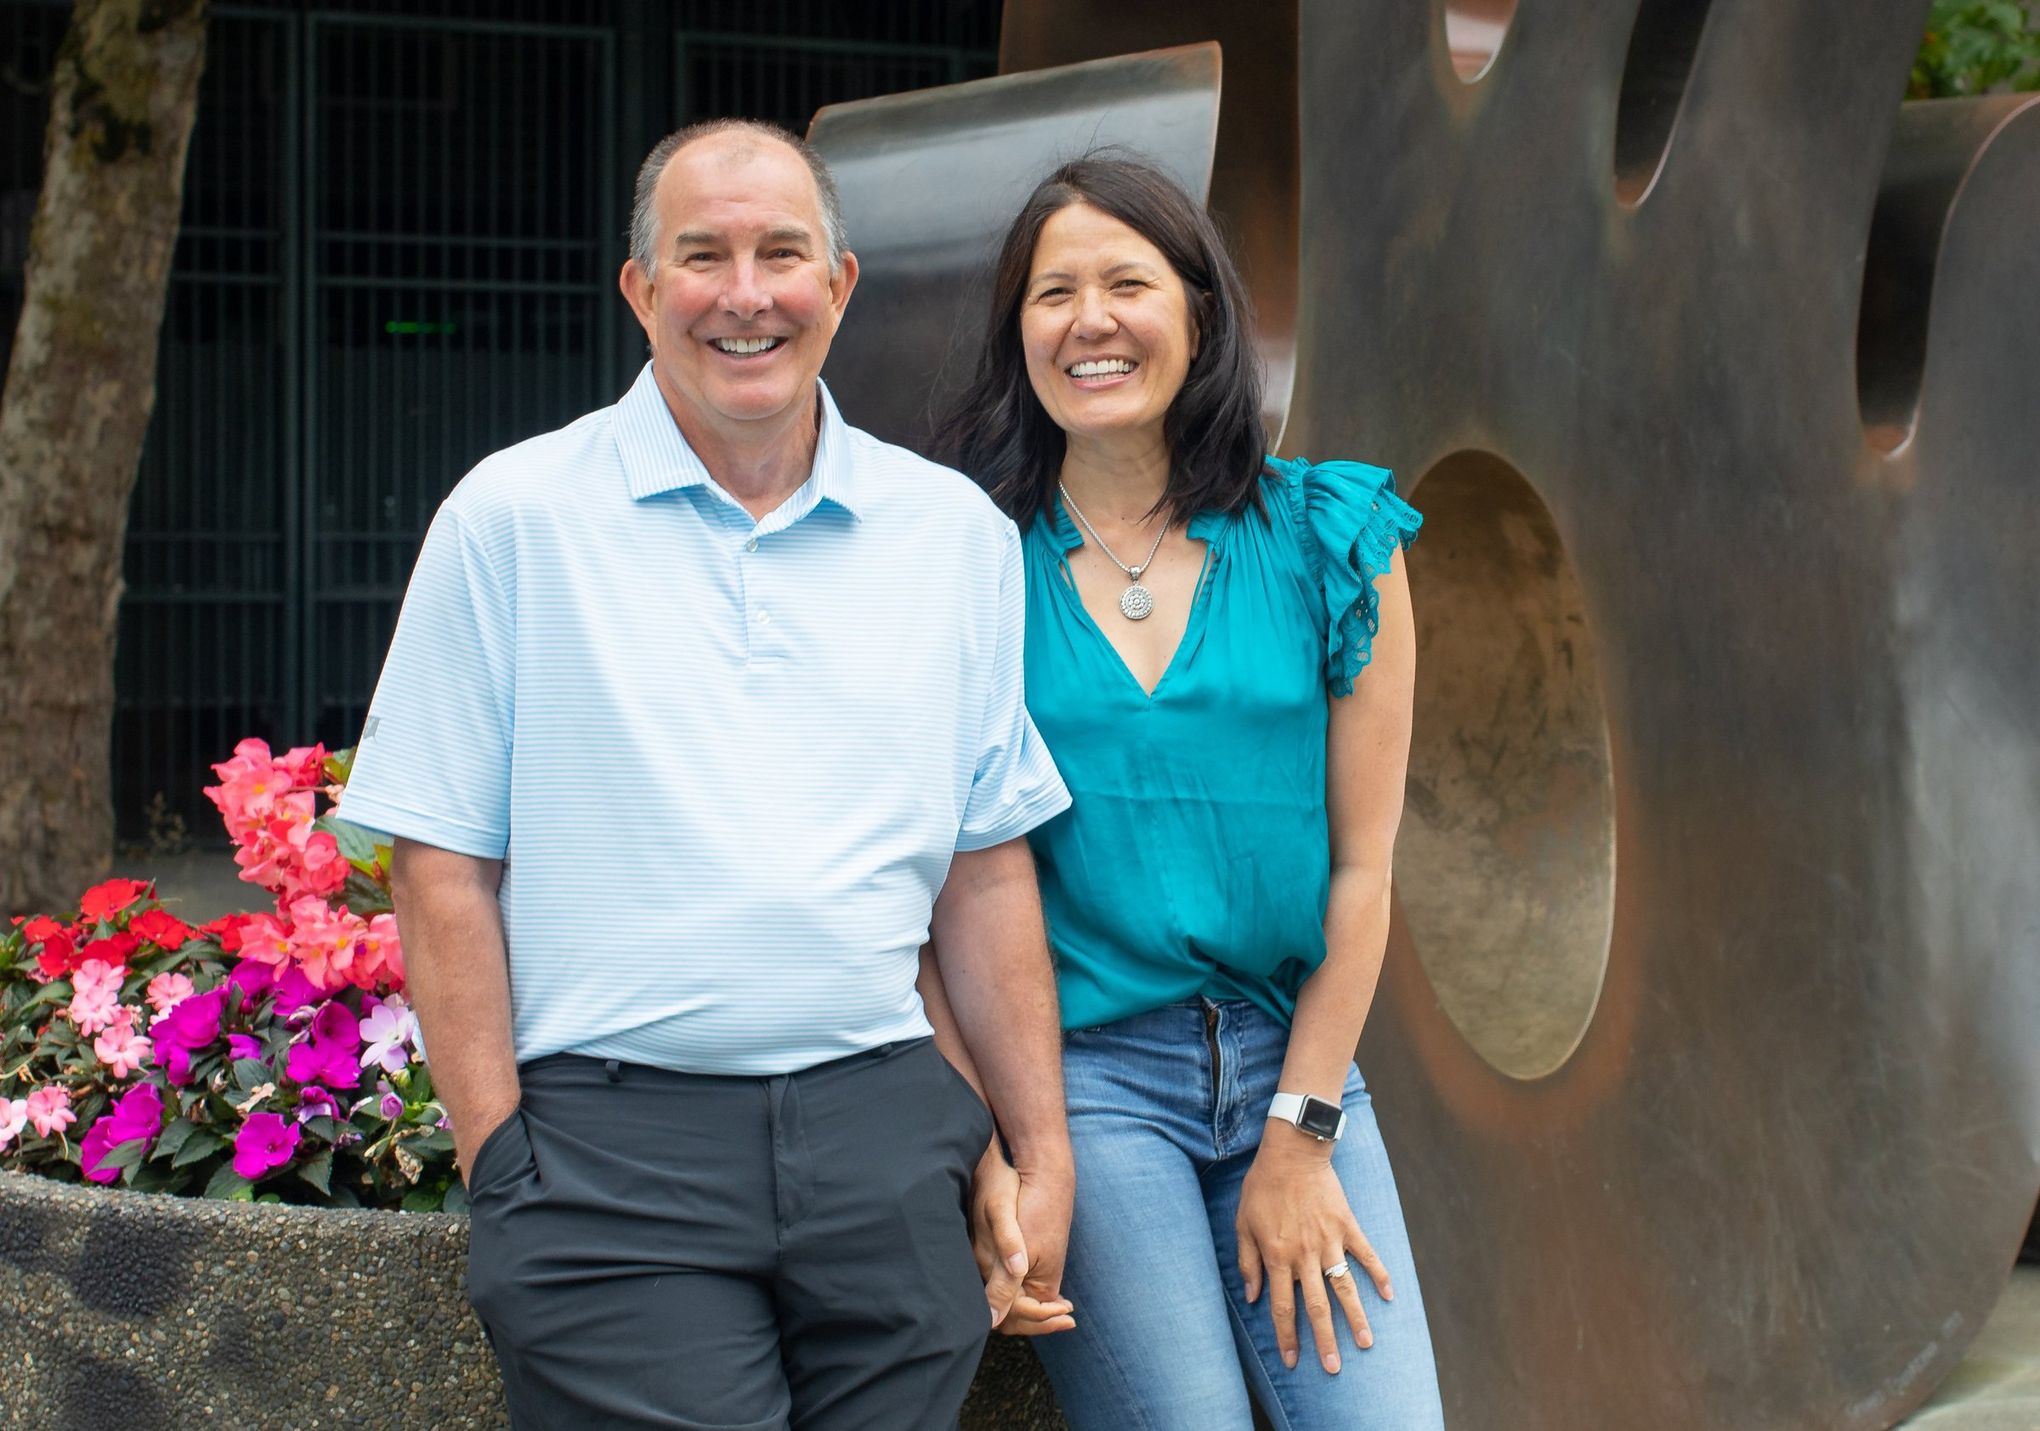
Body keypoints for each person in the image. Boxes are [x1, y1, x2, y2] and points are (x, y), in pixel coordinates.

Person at [336, 119, 1076, 1430]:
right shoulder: (514, 519)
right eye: (703, 255)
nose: (747, 293)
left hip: (888, 1136)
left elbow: (984, 861)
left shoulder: (949, 535)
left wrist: (1035, 1143)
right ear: (640, 291)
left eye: (784, 253)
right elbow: (441, 858)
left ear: (839, 286)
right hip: (611, 1153)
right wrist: (501, 1157)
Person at [931, 155, 1447, 1429]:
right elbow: (925, 892)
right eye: (1053, 293)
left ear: (1201, 314)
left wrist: (1303, 1131)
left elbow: (1366, 866)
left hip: (1293, 1061)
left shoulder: (1333, 539)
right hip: (1084, 1089)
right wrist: (986, 1145)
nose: (1090, 321)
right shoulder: (963, 567)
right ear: (1019, 335)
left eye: (1127, 282)